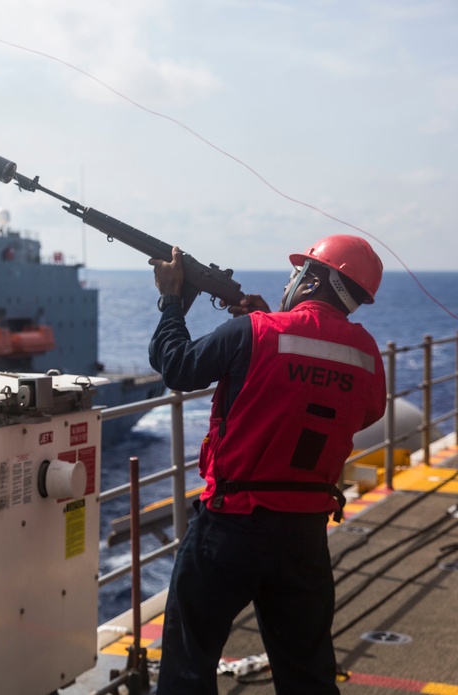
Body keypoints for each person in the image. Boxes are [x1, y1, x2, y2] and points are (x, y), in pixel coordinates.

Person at [148, 235, 386, 694]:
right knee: (307, 674)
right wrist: (276, 324)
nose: (289, 281)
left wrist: (171, 301)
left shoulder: (252, 332)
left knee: (188, 667)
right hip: (304, 535)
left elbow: (176, 367)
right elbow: (364, 410)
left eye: (297, 273)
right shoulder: (367, 355)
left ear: (312, 279)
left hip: (232, 526)